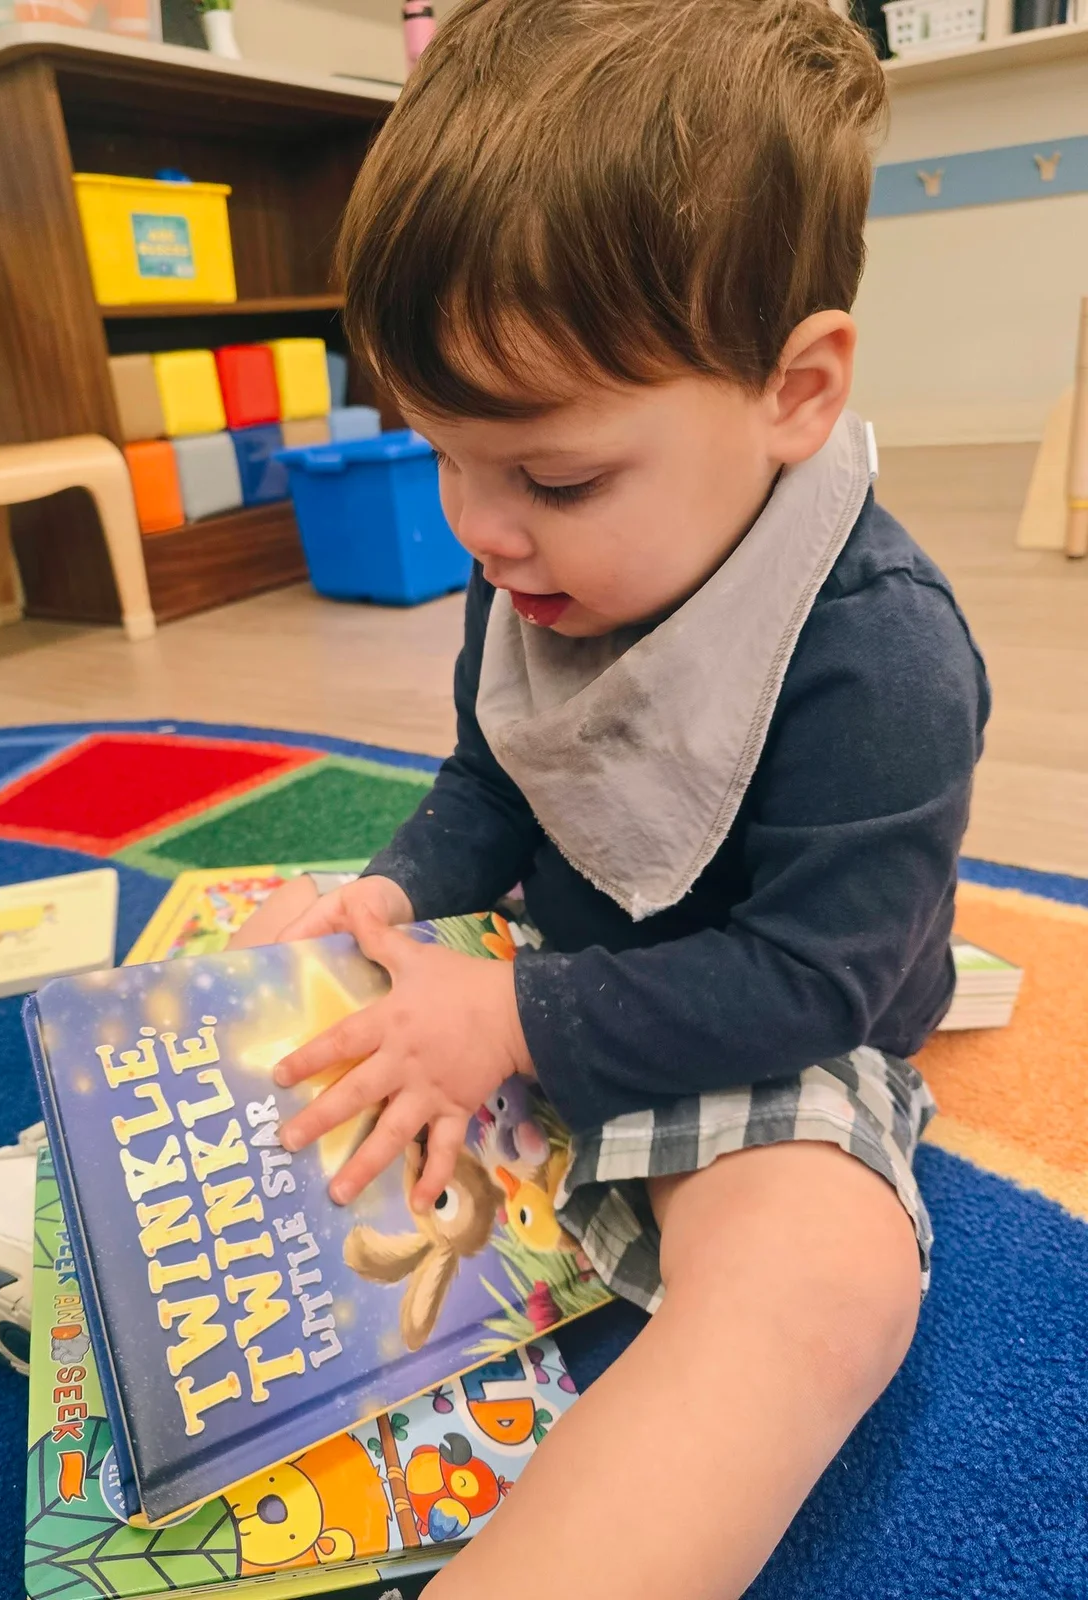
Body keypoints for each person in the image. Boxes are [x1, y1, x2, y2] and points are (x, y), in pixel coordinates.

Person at [235, 1, 991, 1595]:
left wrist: (514, 1032)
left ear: (794, 391)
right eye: (442, 456)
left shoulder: (880, 659)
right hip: (542, 987)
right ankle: (75, 1223)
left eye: (552, 479)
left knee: (827, 1284)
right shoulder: (528, 567)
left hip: (767, 1024)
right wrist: (393, 895)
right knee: (301, 1035)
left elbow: (815, 980)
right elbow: (489, 784)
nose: (482, 533)